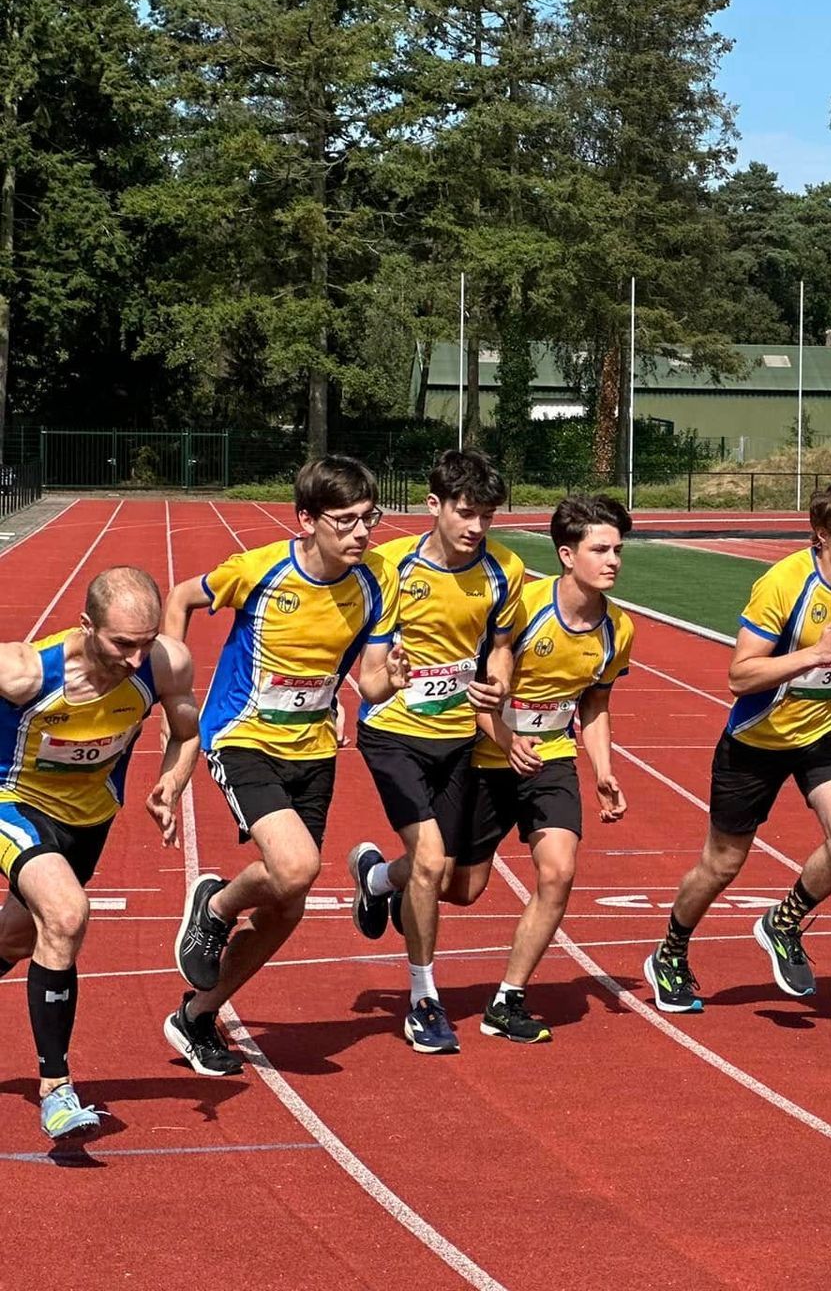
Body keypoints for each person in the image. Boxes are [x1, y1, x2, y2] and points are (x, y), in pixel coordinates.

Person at [164, 455, 406, 1076]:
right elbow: (183, 596)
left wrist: (390, 682)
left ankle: (197, 1015)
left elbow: (373, 683)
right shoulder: (259, 569)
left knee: (289, 904)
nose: (361, 533)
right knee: (297, 865)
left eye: (369, 519)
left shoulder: (377, 579)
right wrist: (172, 690)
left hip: (315, 746)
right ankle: (215, 907)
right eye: (346, 521)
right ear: (306, 520)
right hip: (241, 735)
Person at [644, 479, 831, 1014]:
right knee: (721, 865)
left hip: (825, 729)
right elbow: (739, 676)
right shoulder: (782, 585)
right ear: (820, 538)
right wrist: (815, 654)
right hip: (757, 738)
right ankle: (670, 951)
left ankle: (783, 922)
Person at [0, 569, 199, 1139]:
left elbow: (187, 732)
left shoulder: (167, 662)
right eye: (122, 644)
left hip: (88, 819)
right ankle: (56, 1090)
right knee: (65, 914)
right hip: (14, 800)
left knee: (17, 937)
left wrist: (173, 780)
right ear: (86, 626)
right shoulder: (24, 672)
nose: (137, 659)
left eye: (146, 640)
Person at [346, 449, 523, 1053]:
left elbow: (501, 644)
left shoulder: (505, 569)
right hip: (392, 731)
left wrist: (496, 681)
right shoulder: (389, 566)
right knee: (428, 862)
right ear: (434, 506)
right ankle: (424, 1000)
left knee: (450, 877)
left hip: (457, 739)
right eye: (466, 513)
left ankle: (375, 878)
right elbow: (364, 667)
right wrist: (386, 676)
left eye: (487, 517)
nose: (476, 527)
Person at [458, 495, 632, 1044]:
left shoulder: (618, 629)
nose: (613, 561)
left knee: (558, 871)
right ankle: (384, 878)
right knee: (461, 888)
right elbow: (474, 690)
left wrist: (603, 769)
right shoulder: (521, 608)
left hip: (551, 758)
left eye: (618, 550)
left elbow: (595, 705)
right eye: (599, 549)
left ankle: (508, 999)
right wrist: (506, 738)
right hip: (485, 753)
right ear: (566, 554)